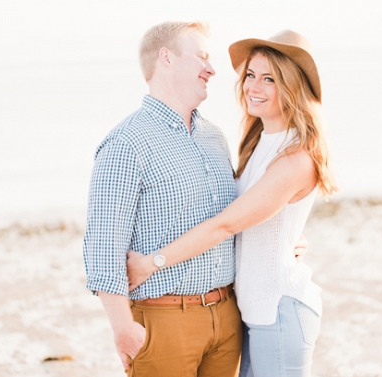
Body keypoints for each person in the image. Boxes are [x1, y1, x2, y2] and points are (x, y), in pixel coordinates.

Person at [127, 30, 338, 377]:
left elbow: (225, 223)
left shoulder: (295, 158)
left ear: (292, 86)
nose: (254, 87)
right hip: (253, 311)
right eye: (251, 75)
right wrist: (288, 238)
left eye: (269, 78)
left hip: (280, 310)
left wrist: (153, 262)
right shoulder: (258, 145)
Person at [83, 21, 242, 377]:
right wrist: (123, 329)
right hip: (164, 320)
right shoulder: (126, 144)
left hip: (228, 316)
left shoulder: (214, 138)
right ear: (166, 58)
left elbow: (235, 216)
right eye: (202, 57)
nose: (213, 69)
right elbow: (104, 244)